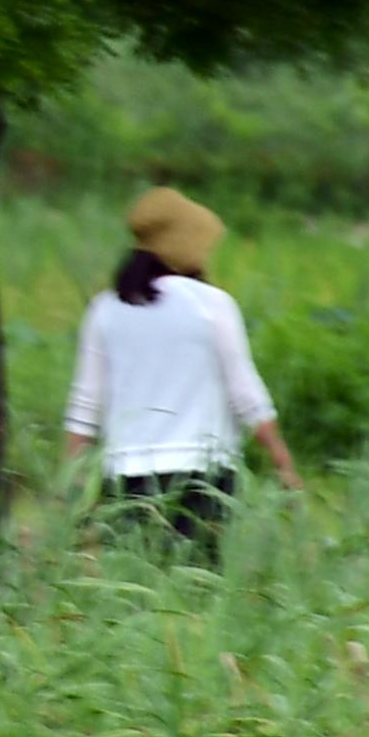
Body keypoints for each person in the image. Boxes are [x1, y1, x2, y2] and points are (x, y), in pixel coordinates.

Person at [63, 188, 299, 550]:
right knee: (198, 592)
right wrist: (284, 464)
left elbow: (84, 408)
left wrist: (75, 485)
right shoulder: (212, 305)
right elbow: (246, 394)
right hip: (203, 477)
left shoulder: (104, 310)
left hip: (127, 479)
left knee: (137, 589)